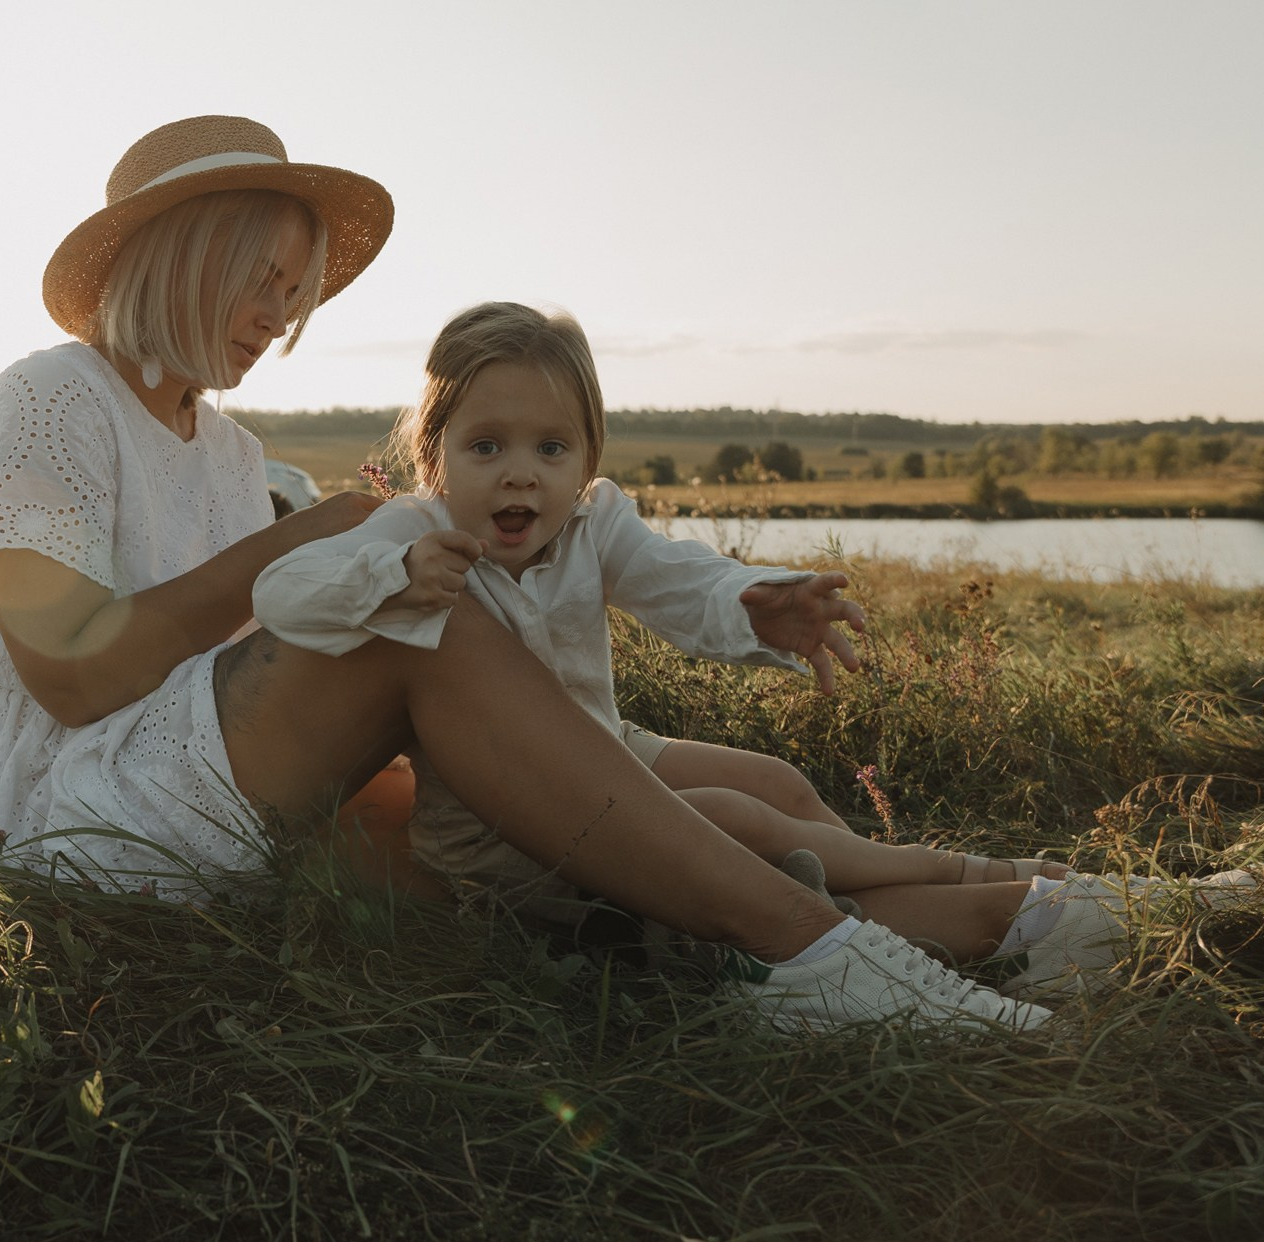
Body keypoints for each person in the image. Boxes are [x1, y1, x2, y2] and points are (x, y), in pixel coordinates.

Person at [0, 114, 1049, 1032]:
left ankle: (1033, 911)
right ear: (182, 258)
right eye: (261, 279)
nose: (282, 317)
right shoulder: (51, 396)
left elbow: (269, 686)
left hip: (226, 782)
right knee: (424, 625)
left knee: (736, 800)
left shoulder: (224, 451)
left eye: (297, 287)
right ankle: (817, 958)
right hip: (62, 799)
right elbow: (71, 673)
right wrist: (298, 540)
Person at [251, 301, 1077, 940]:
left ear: (586, 461)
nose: (520, 477)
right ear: (433, 459)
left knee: (774, 785)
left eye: (550, 449)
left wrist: (753, 603)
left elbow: (679, 579)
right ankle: (962, 884)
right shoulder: (413, 533)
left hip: (607, 755)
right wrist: (389, 578)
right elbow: (282, 593)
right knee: (732, 821)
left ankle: (868, 899)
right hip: (495, 834)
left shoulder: (591, 524)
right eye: (486, 447)